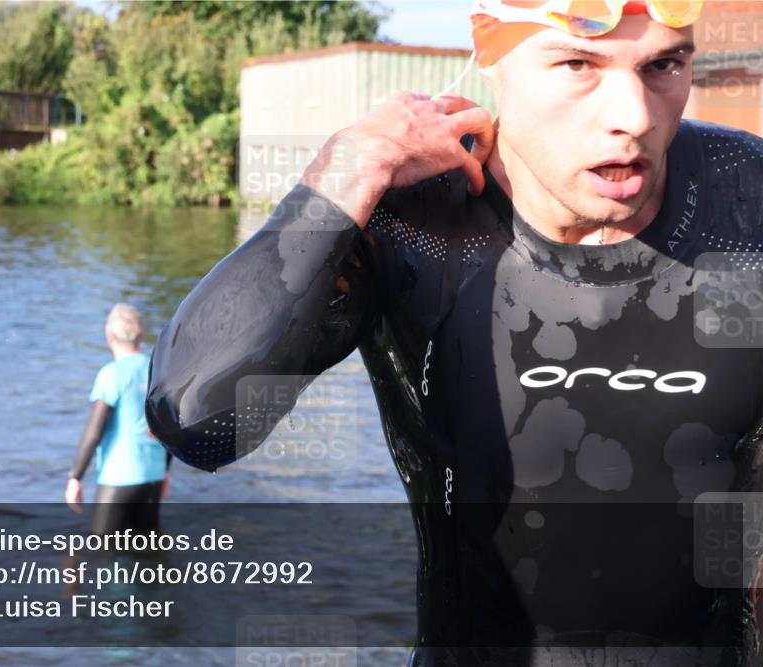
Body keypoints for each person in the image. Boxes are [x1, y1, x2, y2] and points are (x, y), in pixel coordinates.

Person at [145, 0, 763, 665]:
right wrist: (340, 179)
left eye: (664, 64)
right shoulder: (413, 228)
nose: (635, 117)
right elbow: (198, 423)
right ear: (490, 54)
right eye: (578, 64)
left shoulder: (746, 204)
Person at [66, 304, 171, 536]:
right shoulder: (158, 371)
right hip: (153, 475)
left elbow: (95, 430)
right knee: (146, 549)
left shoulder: (111, 374)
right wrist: (165, 472)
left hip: (119, 476)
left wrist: (75, 476)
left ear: (109, 337)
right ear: (141, 336)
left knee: (102, 549)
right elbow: (170, 425)